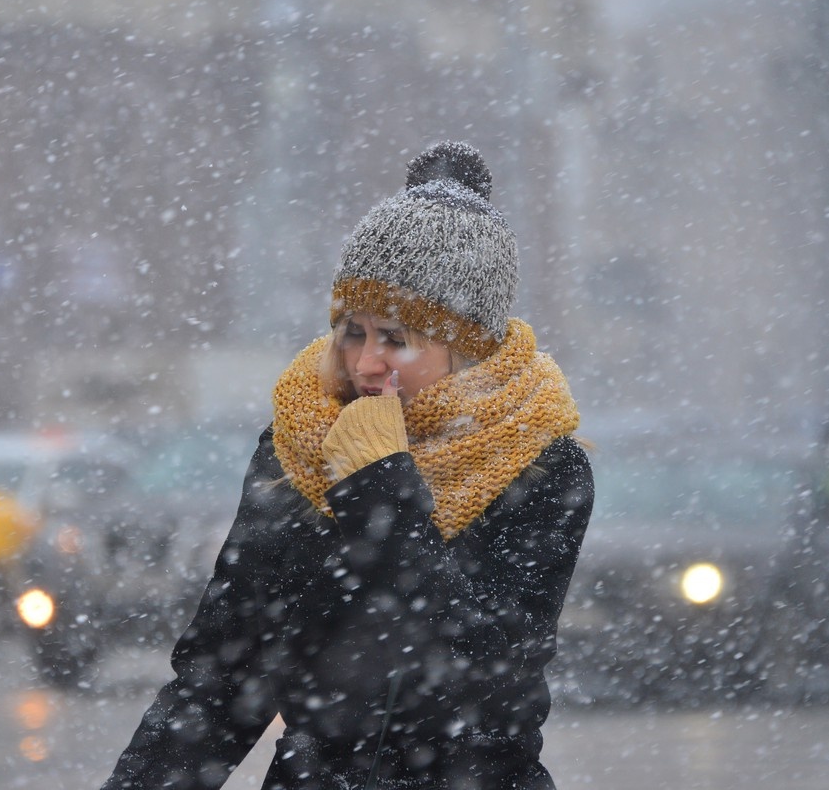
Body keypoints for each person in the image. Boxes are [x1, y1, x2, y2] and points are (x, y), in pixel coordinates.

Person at [100, 141, 593, 790]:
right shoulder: (298, 448)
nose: (366, 362)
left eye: (396, 338)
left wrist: (380, 481)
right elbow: (223, 676)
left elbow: (477, 667)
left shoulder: (540, 461)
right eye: (353, 331)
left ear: (465, 346)